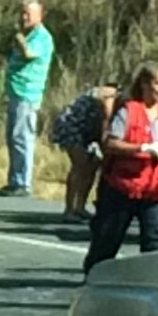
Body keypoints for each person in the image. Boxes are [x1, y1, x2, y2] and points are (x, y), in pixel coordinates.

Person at [83, 64, 158, 273]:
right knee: (106, 242)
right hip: (123, 188)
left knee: (157, 245)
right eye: (157, 83)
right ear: (145, 84)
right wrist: (143, 148)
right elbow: (110, 143)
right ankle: (94, 281)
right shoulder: (128, 110)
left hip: (157, 191)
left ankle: (151, 285)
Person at [0, 0, 55, 198]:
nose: (23, 18)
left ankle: (23, 182)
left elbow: (29, 55)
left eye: (28, 14)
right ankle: (14, 181)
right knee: (12, 137)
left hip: (27, 94)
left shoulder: (41, 37)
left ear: (39, 15)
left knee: (22, 137)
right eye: (21, 13)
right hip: (15, 91)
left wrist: (19, 41)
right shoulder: (27, 35)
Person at [49, 82, 119, 222]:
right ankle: (69, 209)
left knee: (92, 165)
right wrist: (105, 144)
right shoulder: (111, 94)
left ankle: (80, 207)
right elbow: (106, 118)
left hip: (89, 131)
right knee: (79, 166)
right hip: (73, 126)